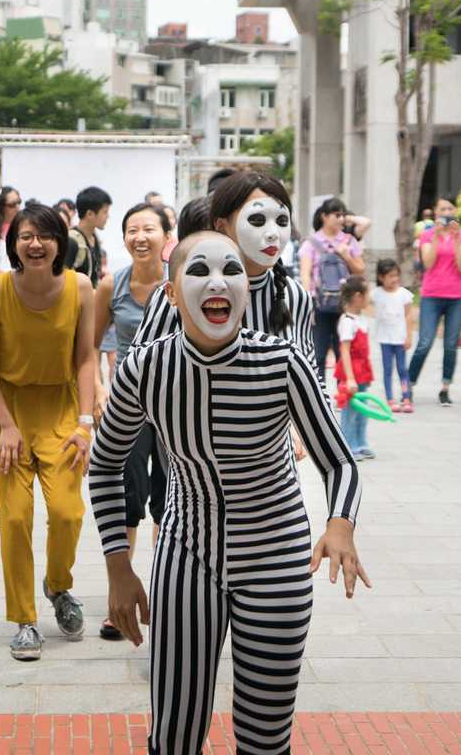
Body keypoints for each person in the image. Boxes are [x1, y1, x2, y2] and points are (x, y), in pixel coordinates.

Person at [89, 231, 369, 755]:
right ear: (171, 294)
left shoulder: (284, 363)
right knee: (174, 733)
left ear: (247, 288)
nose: (217, 282)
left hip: (277, 557)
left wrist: (340, 524)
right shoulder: (145, 369)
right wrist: (118, 567)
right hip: (186, 554)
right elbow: (104, 464)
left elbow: (340, 461)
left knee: (265, 735)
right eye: (198, 271)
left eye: (231, 270)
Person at [0, 202, 96, 661]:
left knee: (67, 512)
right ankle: (24, 619)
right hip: (10, 413)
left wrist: (85, 422)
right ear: (14, 244)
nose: (36, 243)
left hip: (62, 411)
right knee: (17, 517)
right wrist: (5, 423)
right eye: (26, 235)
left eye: (45, 235)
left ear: (59, 242)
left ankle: (58, 586)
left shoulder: (80, 287)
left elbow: (86, 357)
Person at [136, 172, 314, 367]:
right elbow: (140, 370)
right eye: (257, 220)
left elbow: (310, 373)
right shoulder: (178, 291)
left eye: (282, 221)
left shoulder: (295, 295)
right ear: (221, 225)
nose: (273, 234)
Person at [92, 203, 170, 640]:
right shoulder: (112, 284)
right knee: (125, 495)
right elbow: (89, 347)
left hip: (177, 405)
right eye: (132, 230)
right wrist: (100, 391)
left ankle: (164, 592)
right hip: (128, 405)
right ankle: (118, 598)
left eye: (149, 229)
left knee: (170, 497)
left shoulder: (181, 283)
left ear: (166, 235)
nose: (140, 237)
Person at [407, 197, 461, 408]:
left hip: (457, 296)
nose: (446, 212)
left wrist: (455, 239)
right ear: (435, 212)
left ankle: (445, 388)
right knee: (424, 342)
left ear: (455, 211)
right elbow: (428, 262)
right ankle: (409, 384)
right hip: (432, 294)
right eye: (442, 209)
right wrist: (436, 235)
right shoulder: (426, 235)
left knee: (451, 344)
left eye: (450, 209)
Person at [301, 197, 365, 380]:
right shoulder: (311, 243)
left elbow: (360, 269)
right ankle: (319, 396)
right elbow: (306, 274)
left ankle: (343, 395)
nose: (341, 219)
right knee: (319, 353)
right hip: (320, 304)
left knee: (343, 352)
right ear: (324, 216)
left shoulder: (348, 240)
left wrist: (347, 255)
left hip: (344, 305)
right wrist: (308, 301)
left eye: (343, 215)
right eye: (337, 214)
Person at [337, 275, 375, 458]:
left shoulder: (361, 319)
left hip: (362, 370)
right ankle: (348, 445)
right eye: (367, 294)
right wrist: (350, 378)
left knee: (362, 411)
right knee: (349, 411)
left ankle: (361, 443)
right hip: (350, 371)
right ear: (358, 296)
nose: (369, 298)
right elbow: (344, 351)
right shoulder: (347, 321)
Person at [371, 259, 413, 412]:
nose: (395, 279)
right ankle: (390, 398)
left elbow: (409, 316)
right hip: (384, 339)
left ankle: (406, 397)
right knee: (387, 369)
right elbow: (366, 305)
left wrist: (409, 336)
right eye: (390, 276)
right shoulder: (376, 294)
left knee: (402, 369)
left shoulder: (404, 294)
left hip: (400, 338)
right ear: (381, 277)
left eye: (396, 275)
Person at [68, 186, 111, 288]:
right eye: (105, 212)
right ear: (90, 214)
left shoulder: (95, 237)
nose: (108, 216)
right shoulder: (72, 241)